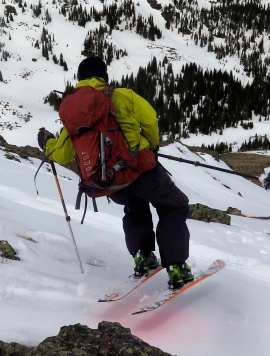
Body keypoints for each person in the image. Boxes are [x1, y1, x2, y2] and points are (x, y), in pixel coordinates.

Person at [38, 56, 193, 289]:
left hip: (107, 181)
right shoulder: (121, 96)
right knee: (174, 205)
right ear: (104, 76)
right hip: (139, 169)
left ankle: (143, 257)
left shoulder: (75, 112)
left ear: (80, 79)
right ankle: (177, 267)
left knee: (135, 207)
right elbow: (150, 120)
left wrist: (47, 142)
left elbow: (61, 153)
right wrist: (151, 147)